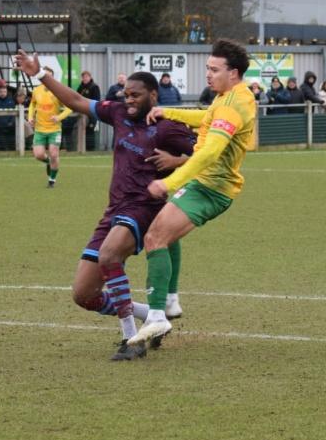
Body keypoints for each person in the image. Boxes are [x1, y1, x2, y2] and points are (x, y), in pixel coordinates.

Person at [14, 52, 196, 360]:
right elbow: (75, 101)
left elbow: (208, 154)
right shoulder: (119, 113)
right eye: (126, 95)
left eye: (136, 95)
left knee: (109, 255)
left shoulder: (168, 126)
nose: (130, 100)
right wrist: (39, 75)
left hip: (145, 207)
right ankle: (153, 318)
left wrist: (177, 161)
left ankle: (131, 340)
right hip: (114, 210)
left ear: (154, 95)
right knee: (84, 294)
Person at [128, 39, 256, 347]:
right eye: (207, 69)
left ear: (234, 73)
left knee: (154, 238)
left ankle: (158, 315)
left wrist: (169, 183)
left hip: (211, 188)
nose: (208, 75)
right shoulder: (229, 97)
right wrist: (168, 112)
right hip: (205, 184)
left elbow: (208, 153)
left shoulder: (234, 104)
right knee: (164, 233)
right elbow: (205, 117)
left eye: (214, 70)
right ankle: (169, 301)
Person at [26, 66, 73, 187]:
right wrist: (30, 117)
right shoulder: (36, 90)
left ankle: (52, 180)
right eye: (44, 76)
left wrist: (59, 117)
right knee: (38, 155)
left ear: (52, 78)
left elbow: (69, 108)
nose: (46, 78)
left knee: (53, 154)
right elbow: (32, 105)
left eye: (48, 76)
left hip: (54, 129)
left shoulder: (58, 92)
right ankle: (48, 163)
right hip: (40, 129)